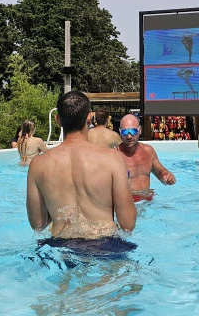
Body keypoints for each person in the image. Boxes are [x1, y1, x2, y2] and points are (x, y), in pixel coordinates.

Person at [27, 91, 136, 240]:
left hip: (61, 246)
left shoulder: (38, 165)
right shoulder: (113, 159)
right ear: (89, 118)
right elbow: (127, 224)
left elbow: (37, 225)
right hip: (104, 245)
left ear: (58, 120)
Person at [117, 114, 176, 201]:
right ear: (120, 132)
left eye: (133, 131)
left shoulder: (148, 151)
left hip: (148, 200)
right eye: (125, 132)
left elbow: (161, 172)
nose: (129, 136)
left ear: (140, 130)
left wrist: (167, 177)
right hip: (128, 202)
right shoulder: (115, 155)